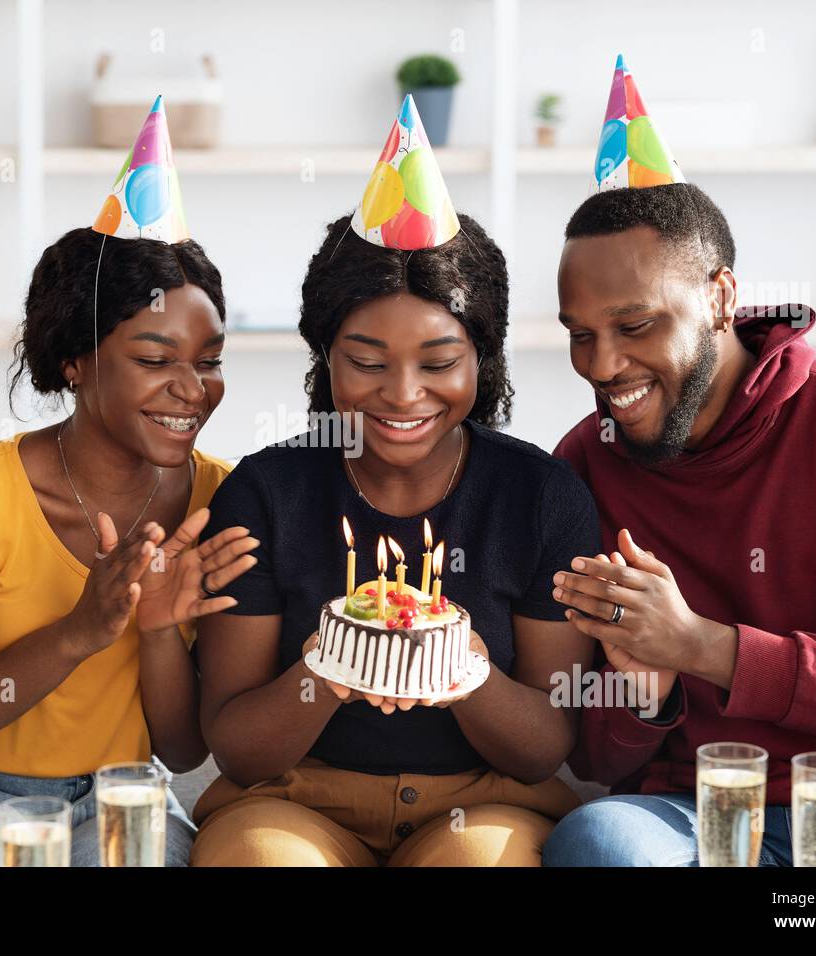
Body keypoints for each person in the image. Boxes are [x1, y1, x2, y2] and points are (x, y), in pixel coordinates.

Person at [0, 103, 258, 866]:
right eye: (155, 360)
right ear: (72, 362)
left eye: (209, 359)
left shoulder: (226, 500)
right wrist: (81, 632)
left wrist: (153, 629)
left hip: (128, 788)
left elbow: (183, 752)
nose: (193, 389)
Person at [542, 181, 816, 866]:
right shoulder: (586, 462)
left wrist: (702, 646)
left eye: (635, 325)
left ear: (720, 299)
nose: (603, 366)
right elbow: (590, 758)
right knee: (598, 843)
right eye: (581, 336)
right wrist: (647, 697)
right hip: (691, 810)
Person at [189, 187, 600, 865]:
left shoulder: (540, 497)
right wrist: (325, 669)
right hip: (294, 802)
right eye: (367, 362)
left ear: (482, 357)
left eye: (438, 363)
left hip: (483, 801)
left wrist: (464, 669)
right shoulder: (265, 495)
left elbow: (544, 747)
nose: (403, 394)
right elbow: (233, 745)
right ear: (326, 357)